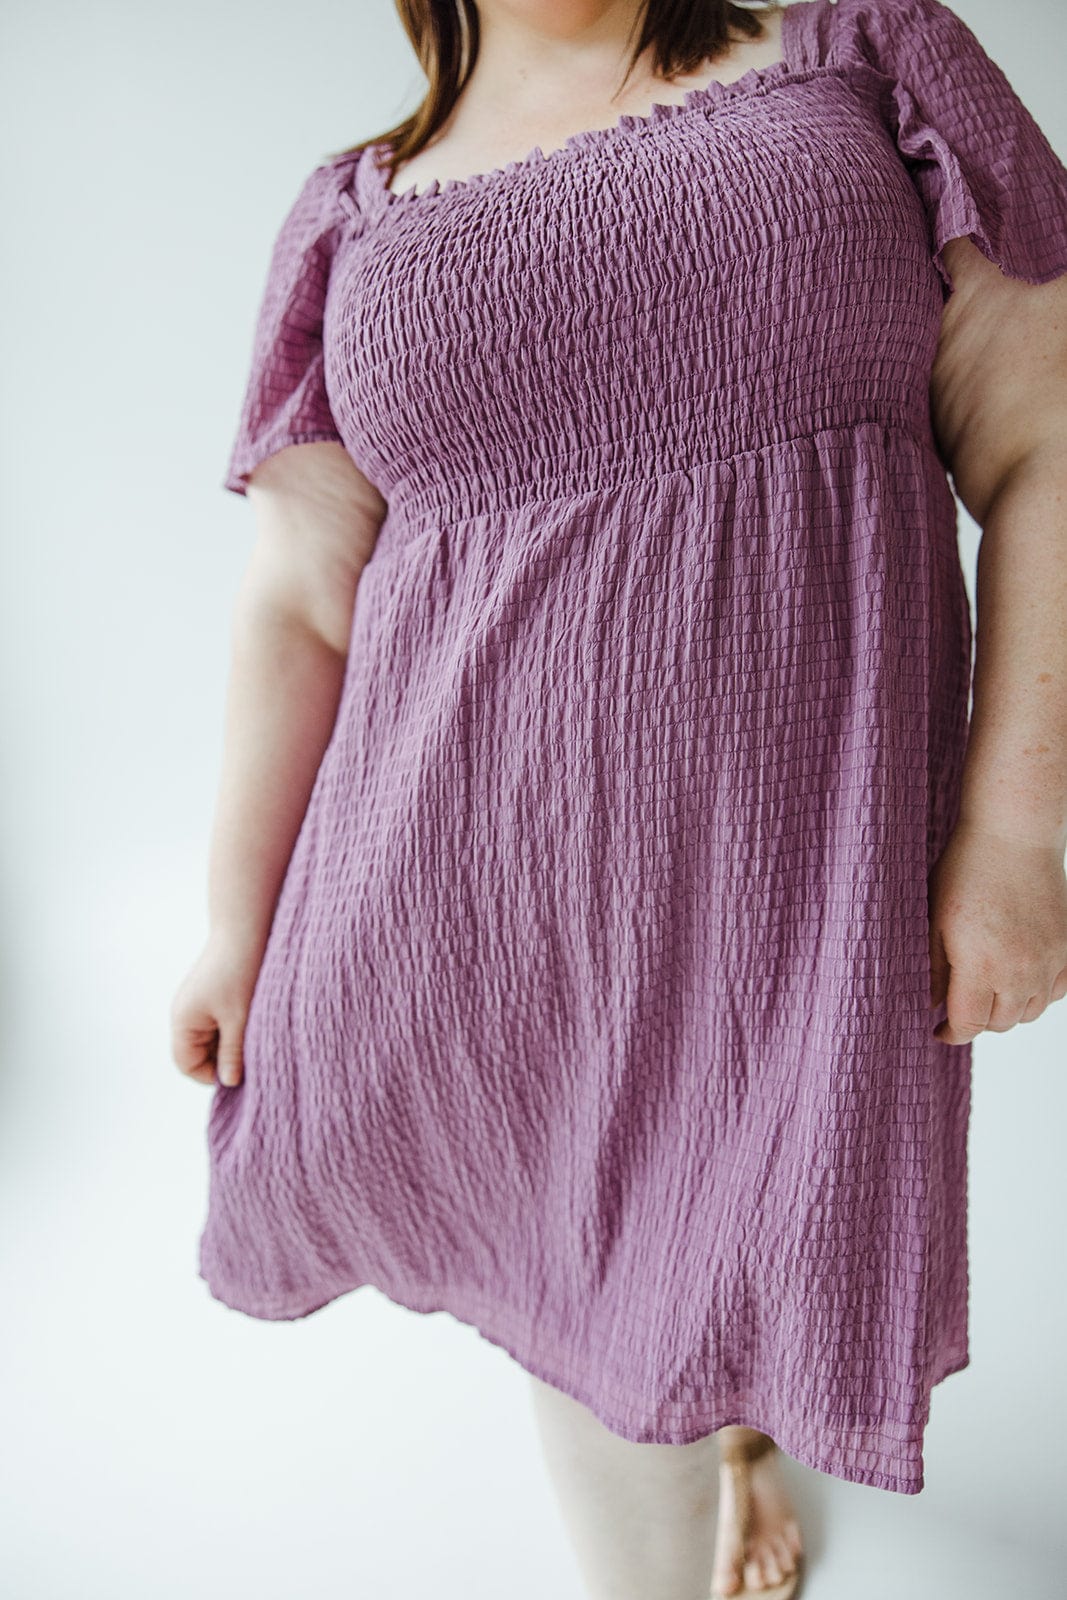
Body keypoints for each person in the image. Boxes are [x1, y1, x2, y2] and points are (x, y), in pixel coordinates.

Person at [171, 1, 1067, 1595]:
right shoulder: (353, 215)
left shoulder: (857, 55)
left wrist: (1014, 829)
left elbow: (1048, 438)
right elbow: (303, 598)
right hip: (473, 898)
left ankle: (739, 1434)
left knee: (762, 1236)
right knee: (579, 1286)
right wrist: (233, 930)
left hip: (802, 885)